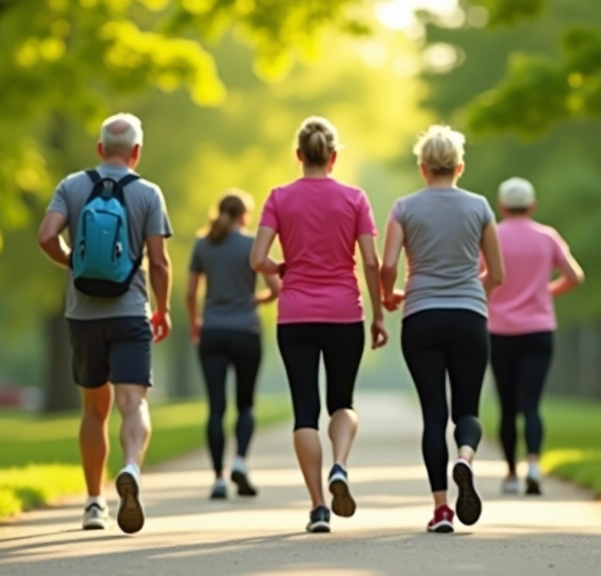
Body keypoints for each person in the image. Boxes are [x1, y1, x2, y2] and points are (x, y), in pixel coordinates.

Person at [250, 116, 388, 534]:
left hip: (295, 315)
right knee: (342, 403)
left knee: (305, 412)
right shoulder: (355, 198)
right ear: (333, 157)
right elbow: (369, 260)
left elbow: (257, 259)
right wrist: (379, 314)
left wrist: (281, 268)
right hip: (345, 313)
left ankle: (317, 508)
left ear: (299, 156)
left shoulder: (279, 197)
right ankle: (340, 466)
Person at [37, 112, 173, 534]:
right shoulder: (148, 193)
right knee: (133, 403)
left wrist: (73, 261)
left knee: (95, 410)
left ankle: (94, 502)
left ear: (99, 149)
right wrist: (162, 309)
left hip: (83, 315)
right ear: (137, 151)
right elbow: (160, 262)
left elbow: (45, 236)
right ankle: (130, 466)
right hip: (130, 312)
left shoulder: (71, 186)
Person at [381, 125, 505, 533]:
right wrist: (471, 289)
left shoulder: (404, 208)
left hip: (421, 316)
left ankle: (441, 511)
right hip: (469, 316)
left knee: (434, 414)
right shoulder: (481, 207)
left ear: (422, 168)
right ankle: (465, 459)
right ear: (460, 166)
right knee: (466, 410)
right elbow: (497, 273)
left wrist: (388, 295)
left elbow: (387, 265)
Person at [487, 177, 584, 496]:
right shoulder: (547, 236)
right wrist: (547, 292)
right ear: (532, 206)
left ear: (501, 206)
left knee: (507, 406)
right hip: (539, 330)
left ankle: (512, 475)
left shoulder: (491, 237)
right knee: (531, 405)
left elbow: (478, 280)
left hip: (500, 331)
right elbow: (575, 277)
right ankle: (534, 466)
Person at [186, 191, 281, 500]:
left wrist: (195, 321)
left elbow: (190, 293)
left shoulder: (203, 244)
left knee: (216, 407)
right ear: (244, 215)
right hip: (246, 332)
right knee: (245, 404)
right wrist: (257, 299)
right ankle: (240, 461)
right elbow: (275, 288)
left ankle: (217, 479)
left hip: (212, 329)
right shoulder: (252, 245)